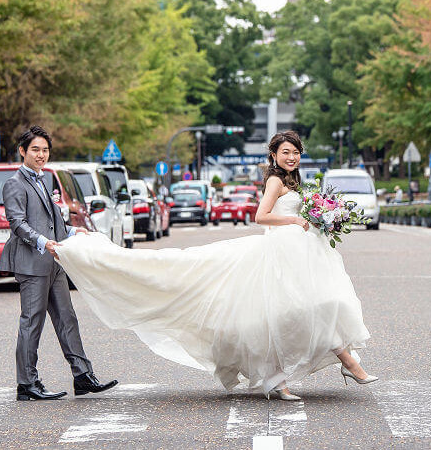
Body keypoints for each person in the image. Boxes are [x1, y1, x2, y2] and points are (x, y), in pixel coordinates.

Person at [56, 131, 376, 401]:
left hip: (297, 253)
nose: (291, 157)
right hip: (279, 253)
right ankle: (339, 363)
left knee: (292, 312)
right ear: (274, 155)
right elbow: (261, 216)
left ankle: (293, 375)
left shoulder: (294, 180)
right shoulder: (276, 181)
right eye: (285, 152)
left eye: (295, 153)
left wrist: (318, 217)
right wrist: (295, 219)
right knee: (290, 311)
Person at [0, 126, 117, 401]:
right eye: (35, 150)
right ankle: (27, 384)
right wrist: (44, 242)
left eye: (45, 150)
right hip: (31, 264)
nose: (41, 155)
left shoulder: (45, 179)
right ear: (22, 151)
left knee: (67, 319)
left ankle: (83, 376)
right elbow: (18, 224)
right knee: (32, 322)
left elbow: (53, 222)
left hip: (54, 262)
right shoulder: (14, 183)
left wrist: (74, 232)